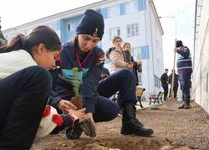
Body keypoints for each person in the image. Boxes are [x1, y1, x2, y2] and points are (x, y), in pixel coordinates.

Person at [0, 25, 86, 150]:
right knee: (41, 76)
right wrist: (70, 118)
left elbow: (28, 113)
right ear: (41, 49)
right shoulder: (25, 63)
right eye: (54, 57)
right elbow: (41, 117)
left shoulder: (18, 59)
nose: (54, 64)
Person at [49, 9, 153, 139]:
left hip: (87, 94)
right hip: (66, 100)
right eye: (86, 38)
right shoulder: (61, 53)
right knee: (54, 114)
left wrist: (89, 112)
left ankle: (129, 123)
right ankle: (72, 121)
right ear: (77, 34)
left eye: (95, 41)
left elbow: (91, 84)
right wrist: (57, 101)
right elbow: (49, 85)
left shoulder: (99, 55)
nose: (89, 45)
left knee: (126, 76)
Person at [175, 40, 192, 109]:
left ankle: (188, 103)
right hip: (181, 71)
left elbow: (186, 55)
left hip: (185, 70)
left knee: (185, 85)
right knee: (182, 86)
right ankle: (185, 102)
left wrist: (178, 50)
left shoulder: (185, 48)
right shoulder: (179, 52)